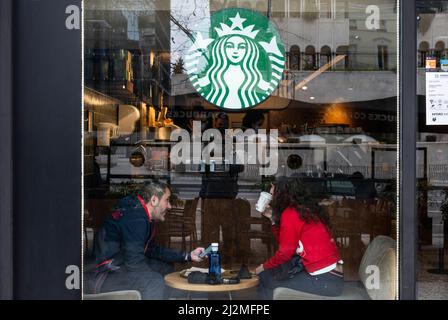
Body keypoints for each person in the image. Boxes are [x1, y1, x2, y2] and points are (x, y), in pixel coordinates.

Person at [87, 180, 206, 299]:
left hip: (118, 267)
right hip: (105, 275)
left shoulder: (140, 214)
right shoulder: (135, 219)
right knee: (153, 281)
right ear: (154, 200)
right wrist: (156, 276)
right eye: (167, 200)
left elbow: (151, 250)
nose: (169, 206)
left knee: (165, 268)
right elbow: (134, 263)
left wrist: (188, 255)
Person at [255, 176, 344, 300]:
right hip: (331, 278)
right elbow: (286, 244)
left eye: (273, 189)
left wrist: (263, 267)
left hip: (324, 281)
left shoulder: (291, 214)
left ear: (282, 194)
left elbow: (285, 253)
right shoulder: (302, 210)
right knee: (272, 274)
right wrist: (273, 220)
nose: (270, 192)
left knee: (265, 278)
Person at [199, 112, 245, 266]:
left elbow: (240, 166)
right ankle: (209, 261)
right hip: (211, 193)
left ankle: (228, 261)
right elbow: (201, 167)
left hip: (227, 193)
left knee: (228, 230)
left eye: (224, 126)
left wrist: (224, 164)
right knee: (210, 231)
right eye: (219, 126)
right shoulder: (207, 142)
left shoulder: (233, 143)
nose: (221, 130)